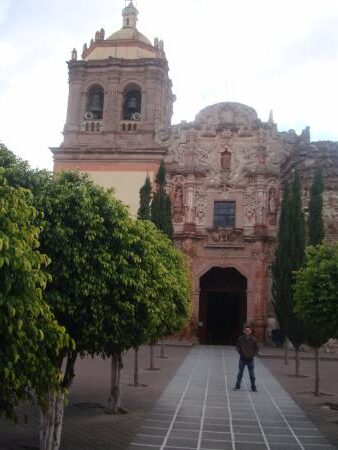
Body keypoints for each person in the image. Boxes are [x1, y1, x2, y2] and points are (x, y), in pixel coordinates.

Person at [234, 325, 259, 392]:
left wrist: (252, 355)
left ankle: (253, 386)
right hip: (242, 358)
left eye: (249, 330)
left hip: (250, 359)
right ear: (244, 331)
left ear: (251, 331)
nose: (247, 332)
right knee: (240, 373)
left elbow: (256, 348)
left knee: (252, 374)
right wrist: (240, 352)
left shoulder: (254, 339)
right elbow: (237, 346)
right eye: (246, 330)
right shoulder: (241, 338)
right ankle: (237, 385)